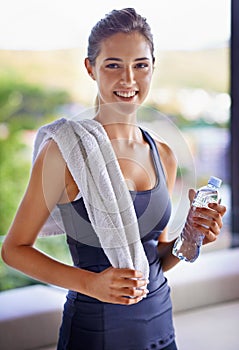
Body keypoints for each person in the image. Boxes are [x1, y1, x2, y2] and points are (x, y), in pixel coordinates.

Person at [1, 8, 226, 350]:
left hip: (161, 328)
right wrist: (90, 284)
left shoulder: (162, 153)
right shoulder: (64, 151)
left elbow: (155, 260)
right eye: (113, 65)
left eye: (140, 65)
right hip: (97, 334)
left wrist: (191, 238)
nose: (129, 80)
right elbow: (14, 250)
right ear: (90, 68)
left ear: (153, 67)